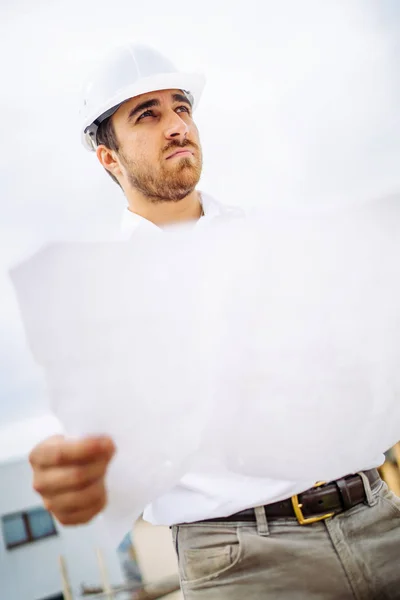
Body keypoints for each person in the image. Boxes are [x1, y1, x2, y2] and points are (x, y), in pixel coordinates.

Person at [29, 42, 400, 599]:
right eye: (147, 115)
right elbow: (106, 442)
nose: (176, 125)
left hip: (378, 518)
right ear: (108, 157)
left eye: (181, 107)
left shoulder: (280, 242)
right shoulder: (100, 296)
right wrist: (73, 472)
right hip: (242, 564)